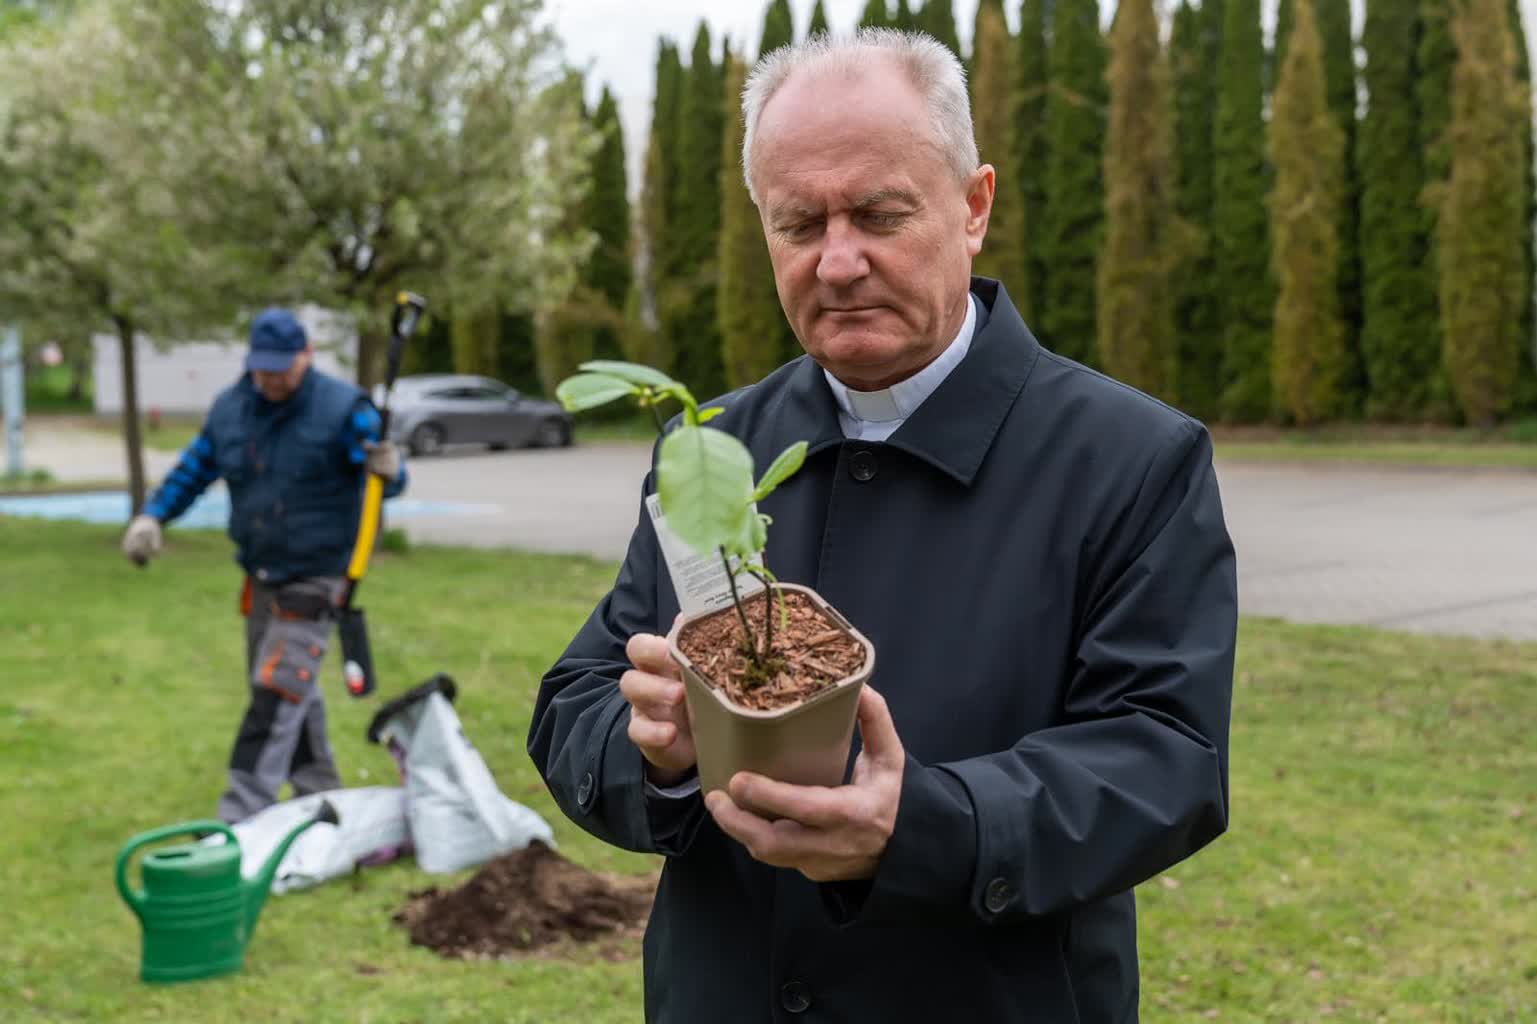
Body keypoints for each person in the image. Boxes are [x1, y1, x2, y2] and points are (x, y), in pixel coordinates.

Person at [528, 29, 1236, 1023]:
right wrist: (656, 755)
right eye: (798, 224)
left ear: (973, 206)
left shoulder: (1129, 460)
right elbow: (576, 701)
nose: (838, 261)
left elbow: (1164, 759)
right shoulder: (709, 450)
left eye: (878, 214)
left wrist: (926, 827)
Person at [121, 307, 408, 823]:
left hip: (319, 575)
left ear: (307, 355)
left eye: (283, 367)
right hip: (262, 576)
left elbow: (382, 475)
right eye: (263, 367)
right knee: (293, 690)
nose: (272, 378)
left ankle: (240, 820)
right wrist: (153, 516)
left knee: (275, 693)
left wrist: (393, 469)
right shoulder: (230, 409)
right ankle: (321, 799)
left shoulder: (344, 409)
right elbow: (195, 468)